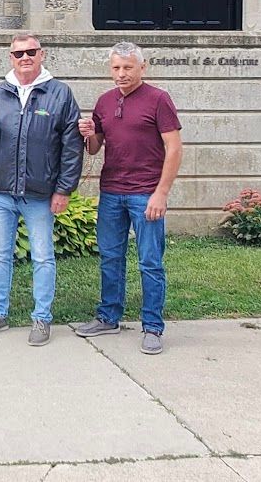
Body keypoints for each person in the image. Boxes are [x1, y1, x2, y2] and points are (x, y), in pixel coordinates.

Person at [0, 32, 83, 346]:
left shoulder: (59, 94)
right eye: (18, 54)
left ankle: (42, 318)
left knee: (43, 257)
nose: (25, 58)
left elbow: (72, 146)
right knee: (1, 253)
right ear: (11, 58)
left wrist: (64, 189)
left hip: (40, 194)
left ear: (41, 54)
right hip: (2, 192)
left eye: (31, 52)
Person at [76, 42, 182, 355]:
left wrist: (161, 193)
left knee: (150, 261)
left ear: (142, 67)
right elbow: (95, 147)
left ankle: (152, 326)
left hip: (146, 193)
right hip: (111, 192)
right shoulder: (105, 101)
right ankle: (109, 316)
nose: (121, 74)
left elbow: (174, 149)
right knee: (110, 257)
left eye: (127, 68)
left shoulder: (158, 99)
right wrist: (89, 132)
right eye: (116, 68)